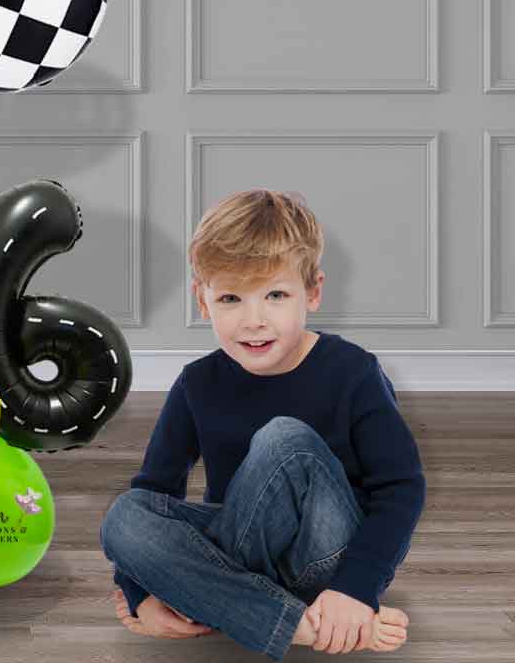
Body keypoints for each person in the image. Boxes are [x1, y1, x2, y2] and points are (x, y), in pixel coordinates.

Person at [99, 189, 423, 659]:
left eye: (275, 295)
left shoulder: (353, 372)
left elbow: (401, 487)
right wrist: (137, 593)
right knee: (125, 515)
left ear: (312, 292)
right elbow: (156, 490)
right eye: (231, 297)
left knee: (283, 438)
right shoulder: (196, 383)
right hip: (238, 556)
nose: (254, 320)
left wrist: (356, 590)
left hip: (328, 556)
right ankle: (301, 627)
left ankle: (226, 604)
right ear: (203, 300)